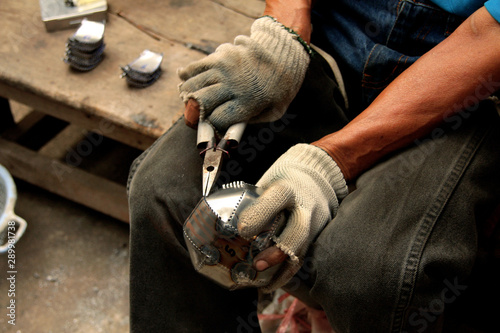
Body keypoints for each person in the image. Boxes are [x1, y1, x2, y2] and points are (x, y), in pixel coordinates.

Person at [127, 0, 500, 332]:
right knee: (165, 193)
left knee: (370, 271)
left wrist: (328, 162)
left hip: (468, 79)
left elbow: (490, 36)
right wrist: (281, 36)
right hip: (334, 32)